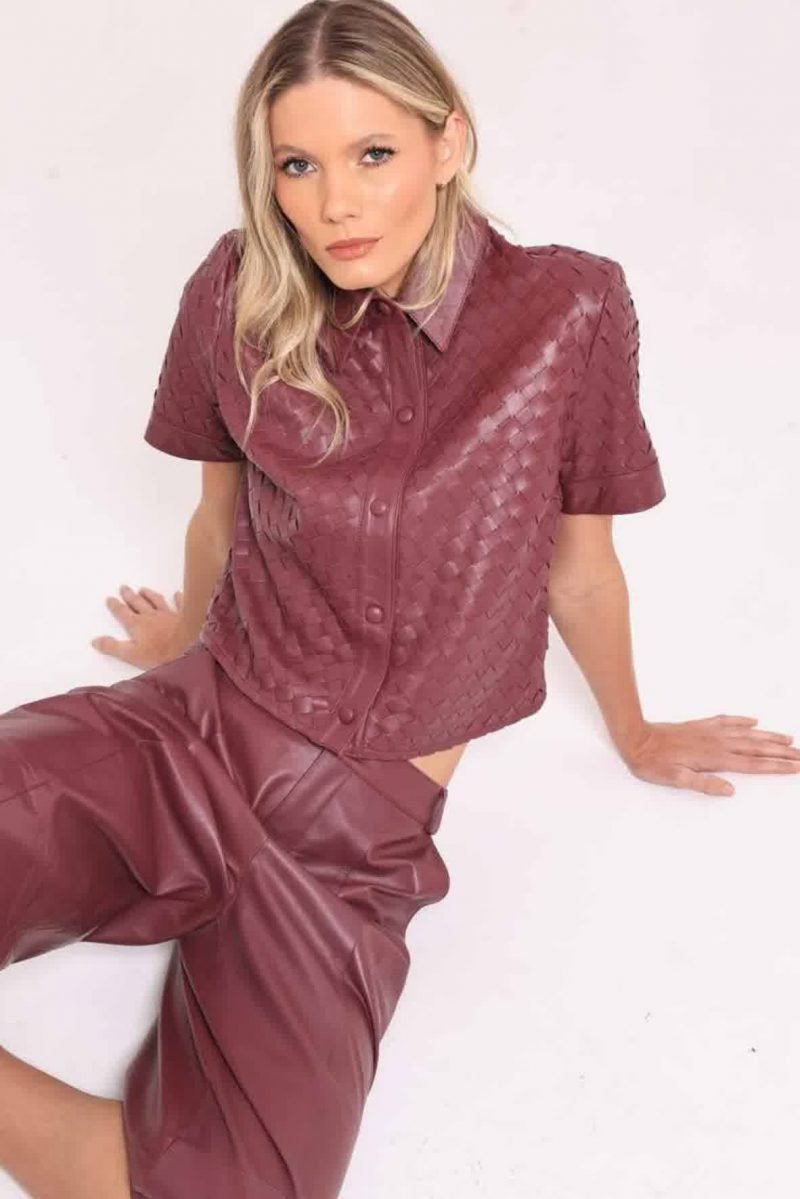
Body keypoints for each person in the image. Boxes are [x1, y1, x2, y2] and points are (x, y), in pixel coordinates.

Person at [2, 1, 799, 1196]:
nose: (334, 202)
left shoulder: (567, 311)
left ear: (447, 141)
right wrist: (184, 634)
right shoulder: (234, 287)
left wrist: (634, 729)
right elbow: (220, 513)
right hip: (193, 728)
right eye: (297, 165)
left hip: (349, 834)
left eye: (371, 153)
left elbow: (578, 564)